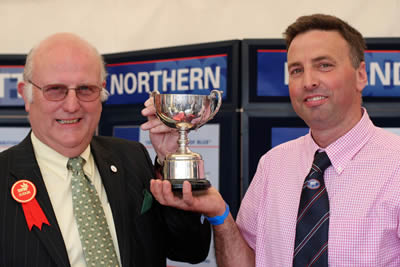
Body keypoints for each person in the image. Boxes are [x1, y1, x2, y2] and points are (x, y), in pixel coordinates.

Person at [142, 14, 400, 266]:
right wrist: (220, 215)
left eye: (324, 65)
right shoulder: (273, 165)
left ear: (361, 75)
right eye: (296, 70)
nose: (308, 81)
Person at [0, 32, 211, 267]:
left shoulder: (132, 158)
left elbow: (191, 250)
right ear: (26, 95)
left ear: (101, 91)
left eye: (85, 89)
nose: (72, 105)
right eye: (55, 90)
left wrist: (170, 160)